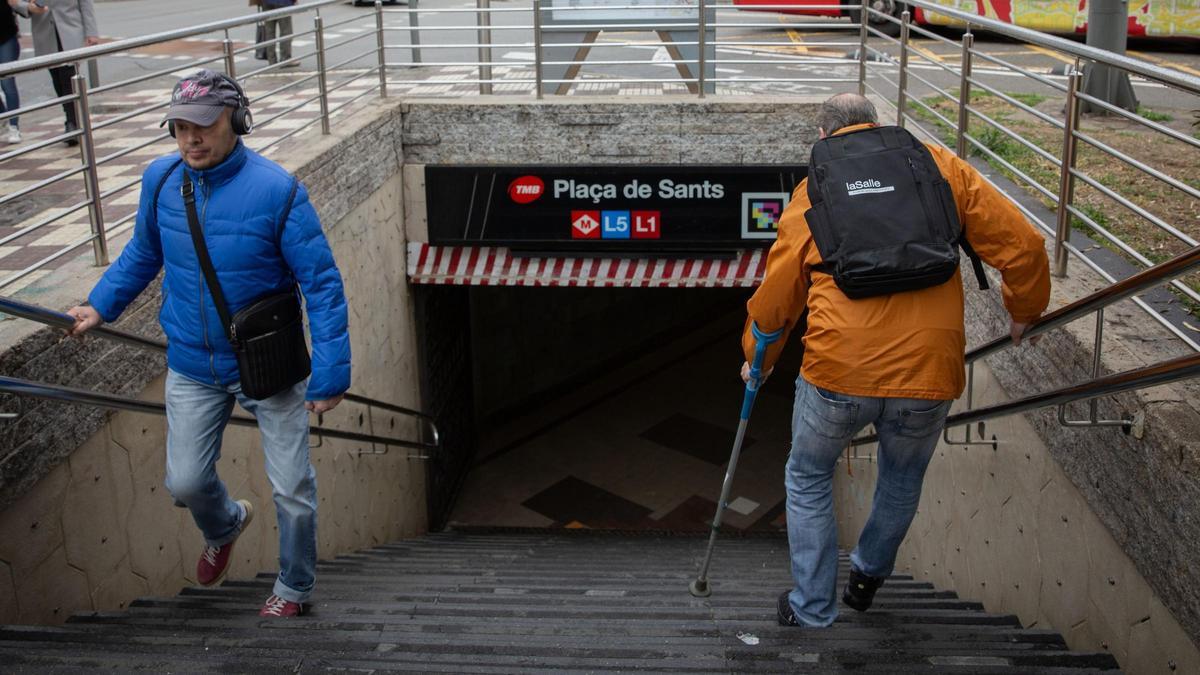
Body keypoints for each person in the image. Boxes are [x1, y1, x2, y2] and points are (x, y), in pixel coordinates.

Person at [741, 93, 1050, 628]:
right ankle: (867, 575)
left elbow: (777, 297)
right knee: (902, 477)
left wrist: (759, 359)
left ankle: (812, 608)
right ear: (876, 125)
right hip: (929, 370)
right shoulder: (940, 166)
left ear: (823, 135)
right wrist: (1024, 308)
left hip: (838, 371)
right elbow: (1022, 245)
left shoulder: (810, 191)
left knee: (808, 474)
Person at [66, 69, 351, 618]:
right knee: (186, 482)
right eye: (178, 128)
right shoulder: (161, 179)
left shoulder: (279, 191)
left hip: (267, 366)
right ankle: (225, 524)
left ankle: (293, 588)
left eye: (202, 126)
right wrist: (100, 304)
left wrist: (331, 371)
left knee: (292, 489)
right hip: (193, 364)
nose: (190, 139)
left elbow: (322, 284)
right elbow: (142, 253)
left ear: (236, 122)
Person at [23, 0, 98, 145]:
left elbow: (86, 4)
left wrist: (91, 32)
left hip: (70, 30)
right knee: (57, 78)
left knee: (68, 76)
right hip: (45, 33)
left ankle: (72, 122)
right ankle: (72, 118)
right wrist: (27, 7)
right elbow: (16, 3)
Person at [2, 0, 37, 144]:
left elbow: (22, 5)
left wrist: (27, 6)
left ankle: (14, 126)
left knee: (7, 82)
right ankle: (4, 115)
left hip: (6, 38)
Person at [251, 0, 299, 68]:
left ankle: (272, 60)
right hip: (283, 3)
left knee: (269, 32)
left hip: (266, 2)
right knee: (286, 30)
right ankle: (285, 59)